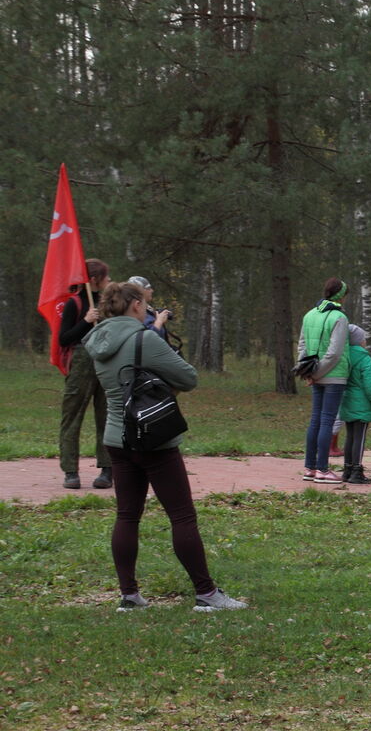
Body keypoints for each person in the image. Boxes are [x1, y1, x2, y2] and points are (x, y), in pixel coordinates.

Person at [83, 281, 246, 612]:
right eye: (143, 302)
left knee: (127, 516)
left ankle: (129, 595)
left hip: (117, 437)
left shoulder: (95, 341)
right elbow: (189, 378)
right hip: (154, 436)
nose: (146, 307)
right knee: (182, 516)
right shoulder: (143, 339)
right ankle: (206, 593)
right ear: (134, 306)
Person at [58, 258, 113, 490]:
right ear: (93, 280)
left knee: (108, 416)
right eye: (106, 277)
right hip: (81, 363)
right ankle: (71, 471)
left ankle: (107, 470)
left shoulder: (109, 303)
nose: (109, 280)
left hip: (107, 362)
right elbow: (64, 338)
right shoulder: (74, 304)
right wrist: (86, 321)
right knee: (72, 416)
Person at [298, 278, 351, 483]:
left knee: (316, 420)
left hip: (315, 374)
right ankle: (322, 469)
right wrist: (318, 373)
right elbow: (335, 353)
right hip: (334, 375)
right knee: (327, 420)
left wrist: (308, 372)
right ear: (341, 296)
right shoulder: (339, 317)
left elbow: (301, 345)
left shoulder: (310, 314)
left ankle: (310, 467)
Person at [339, 324, 371, 485]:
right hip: (362, 403)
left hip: (346, 400)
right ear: (359, 341)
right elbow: (370, 386)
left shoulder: (344, 356)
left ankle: (347, 469)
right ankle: (357, 470)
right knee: (360, 437)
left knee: (350, 436)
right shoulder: (364, 358)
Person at [127, 276, 171, 341]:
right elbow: (146, 340)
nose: (152, 290)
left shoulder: (144, 308)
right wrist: (159, 321)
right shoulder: (135, 312)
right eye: (148, 288)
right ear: (140, 291)